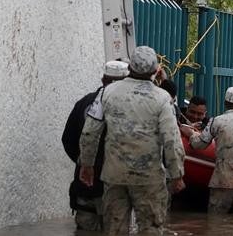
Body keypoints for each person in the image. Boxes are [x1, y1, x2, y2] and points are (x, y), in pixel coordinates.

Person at [79, 46, 186, 236]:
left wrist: (87, 166)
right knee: (151, 230)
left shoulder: (107, 93)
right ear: (156, 70)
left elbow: (90, 132)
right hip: (149, 178)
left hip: (114, 175)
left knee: (114, 230)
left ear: (129, 68)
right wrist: (177, 174)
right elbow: (171, 139)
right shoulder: (162, 98)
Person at [61, 61, 129, 231]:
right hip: (117, 185)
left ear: (103, 79)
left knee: (85, 229)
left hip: (86, 184)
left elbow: (68, 140)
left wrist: (84, 162)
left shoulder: (84, 103)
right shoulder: (131, 108)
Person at [180, 87, 233, 215]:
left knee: (216, 223)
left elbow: (198, 145)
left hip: (222, 181)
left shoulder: (216, 121)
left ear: (225, 103)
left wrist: (190, 133)